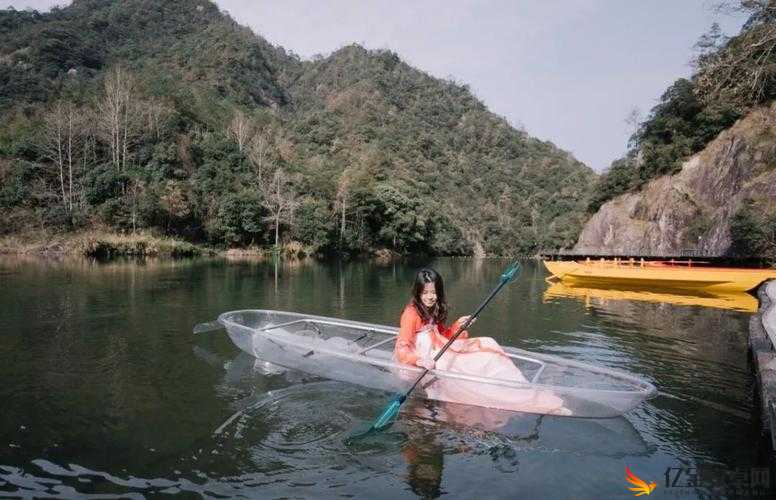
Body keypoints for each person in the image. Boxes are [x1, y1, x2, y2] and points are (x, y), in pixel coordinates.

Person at [394, 268, 571, 416]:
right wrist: (419, 360)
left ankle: (528, 396)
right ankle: (517, 401)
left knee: (488, 343)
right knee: (464, 369)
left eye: (434, 292)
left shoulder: (433, 309)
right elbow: (403, 348)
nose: (430, 297)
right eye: (425, 293)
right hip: (419, 362)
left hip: (438, 352)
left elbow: (444, 335)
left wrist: (459, 326)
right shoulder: (411, 314)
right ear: (418, 292)